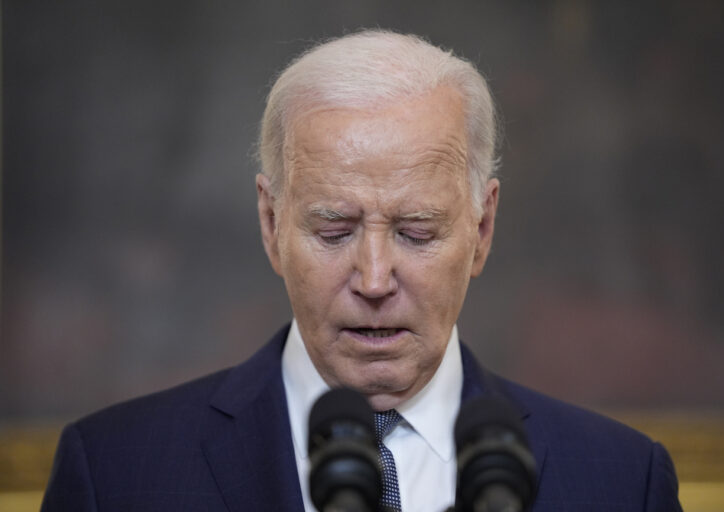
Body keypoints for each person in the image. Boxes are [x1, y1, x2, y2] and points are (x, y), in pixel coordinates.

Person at [42, 30, 682, 511]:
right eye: (334, 231)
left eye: (416, 232)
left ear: (481, 229)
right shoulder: (115, 474)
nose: (374, 279)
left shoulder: (622, 482)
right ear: (271, 223)